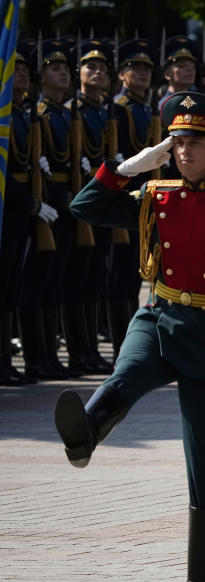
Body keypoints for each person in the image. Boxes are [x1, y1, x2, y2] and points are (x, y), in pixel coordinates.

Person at [56, 91, 205, 582]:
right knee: (125, 376)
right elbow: (83, 208)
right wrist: (135, 165)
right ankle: (86, 432)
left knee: (203, 467)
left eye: (193, 143)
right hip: (157, 319)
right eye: (176, 142)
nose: (183, 152)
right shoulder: (155, 194)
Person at [20, 39, 73, 381]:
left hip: (60, 199)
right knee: (29, 285)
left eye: (66, 69)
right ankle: (34, 355)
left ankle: (49, 355)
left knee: (55, 281)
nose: (63, 74)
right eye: (55, 68)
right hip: (36, 201)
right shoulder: (35, 115)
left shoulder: (64, 115)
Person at [65, 39, 115, 376]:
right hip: (78, 199)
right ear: (77, 74)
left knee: (96, 279)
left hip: (104, 199)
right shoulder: (73, 111)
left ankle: (90, 351)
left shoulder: (105, 111)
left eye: (102, 68)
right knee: (72, 281)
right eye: (90, 67)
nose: (97, 73)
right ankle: (74, 351)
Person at [1, 48, 48, 385]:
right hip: (9, 210)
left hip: (21, 212)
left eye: (24, 69)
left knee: (12, 289)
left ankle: (7, 359)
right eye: (13, 68)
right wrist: (32, 204)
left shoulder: (24, 114)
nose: (21, 74)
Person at [107, 39, 155, 364]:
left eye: (146, 68)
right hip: (126, 197)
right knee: (120, 277)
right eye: (134, 67)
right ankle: (121, 346)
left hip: (148, 197)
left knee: (145, 273)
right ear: (122, 74)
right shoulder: (116, 109)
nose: (140, 73)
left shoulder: (146, 109)